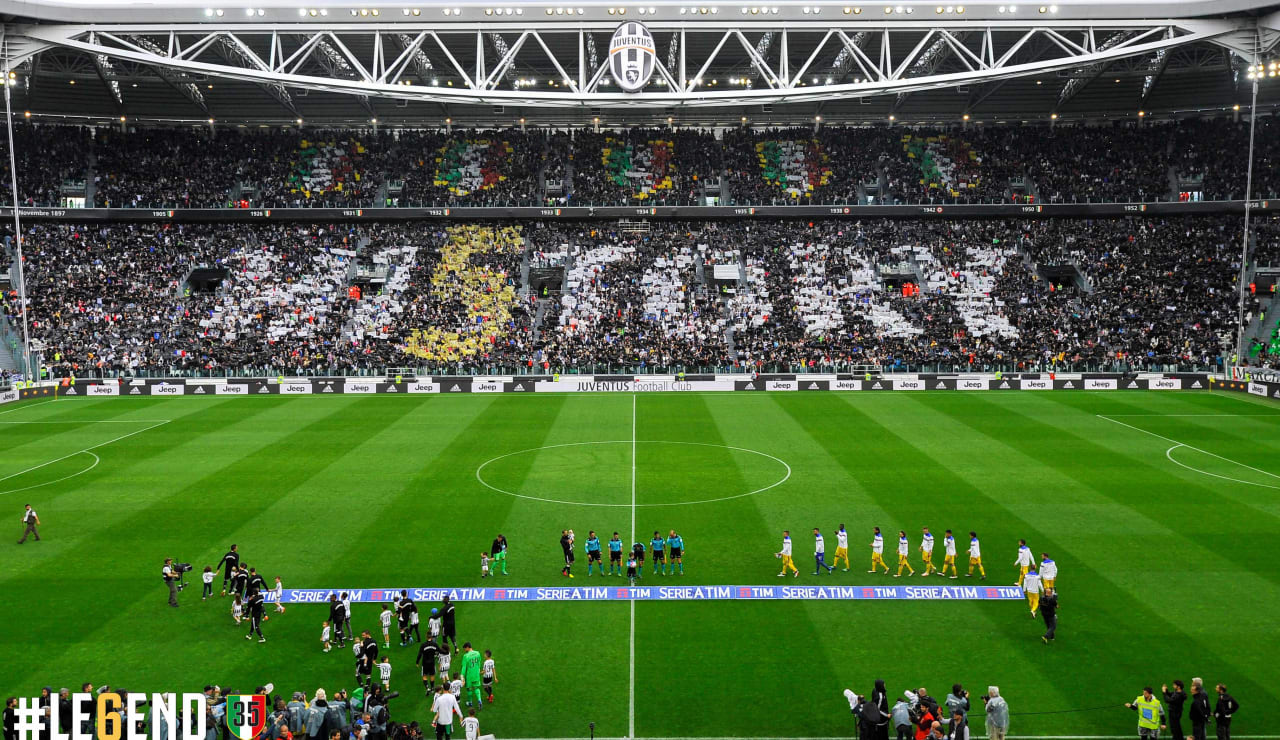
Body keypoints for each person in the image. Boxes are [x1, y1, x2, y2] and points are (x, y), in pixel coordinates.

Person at [459, 643, 483, 709]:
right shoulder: (478, 653)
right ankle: (479, 701)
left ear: (467, 647)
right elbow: (479, 663)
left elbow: (464, 667)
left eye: (464, 648)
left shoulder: (466, 656)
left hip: (469, 675)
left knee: (469, 689)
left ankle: (470, 703)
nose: (464, 650)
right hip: (476, 674)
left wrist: (462, 676)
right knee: (476, 688)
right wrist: (478, 670)